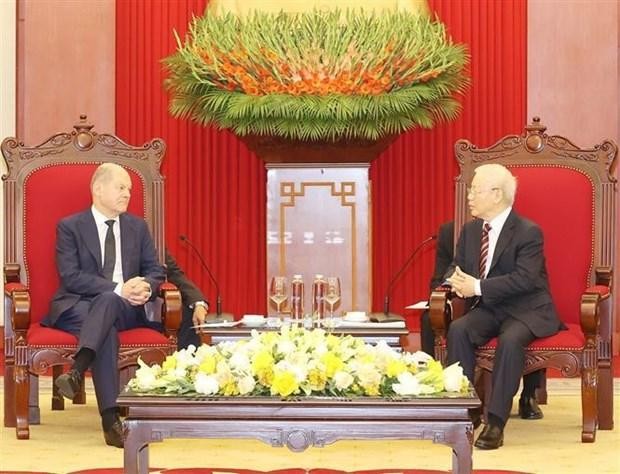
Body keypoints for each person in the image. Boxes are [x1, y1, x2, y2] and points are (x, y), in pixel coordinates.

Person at [43, 163, 165, 448]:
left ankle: (78, 368)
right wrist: (119, 289)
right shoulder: (71, 226)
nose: (127, 194)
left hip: (127, 308)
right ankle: (111, 421)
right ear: (98, 189)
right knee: (106, 316)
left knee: (110, 305)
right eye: (121, 187)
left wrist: (145, 287)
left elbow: (155, 271)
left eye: (130, 190)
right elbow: (71, 277)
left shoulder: (137, 226)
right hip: (78, 306)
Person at [444, 164, 562, 450]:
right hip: (490, 308)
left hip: (527, 308)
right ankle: (466, 411)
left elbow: (525, 279)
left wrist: (477, 287)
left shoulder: (528, 232)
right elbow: (455, 267)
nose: (469, 196)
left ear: (496, 195)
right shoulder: (471, 231)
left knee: (510, 340)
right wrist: (454, 281)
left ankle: (496, 422)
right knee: (459, 329)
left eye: (476, 190)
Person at [165, 251, 209, 350]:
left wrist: (198, 304)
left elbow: (175, 274)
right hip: (127, 306)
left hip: (151, 305)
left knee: (188, 314)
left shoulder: (154, 242)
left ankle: (189, 363)